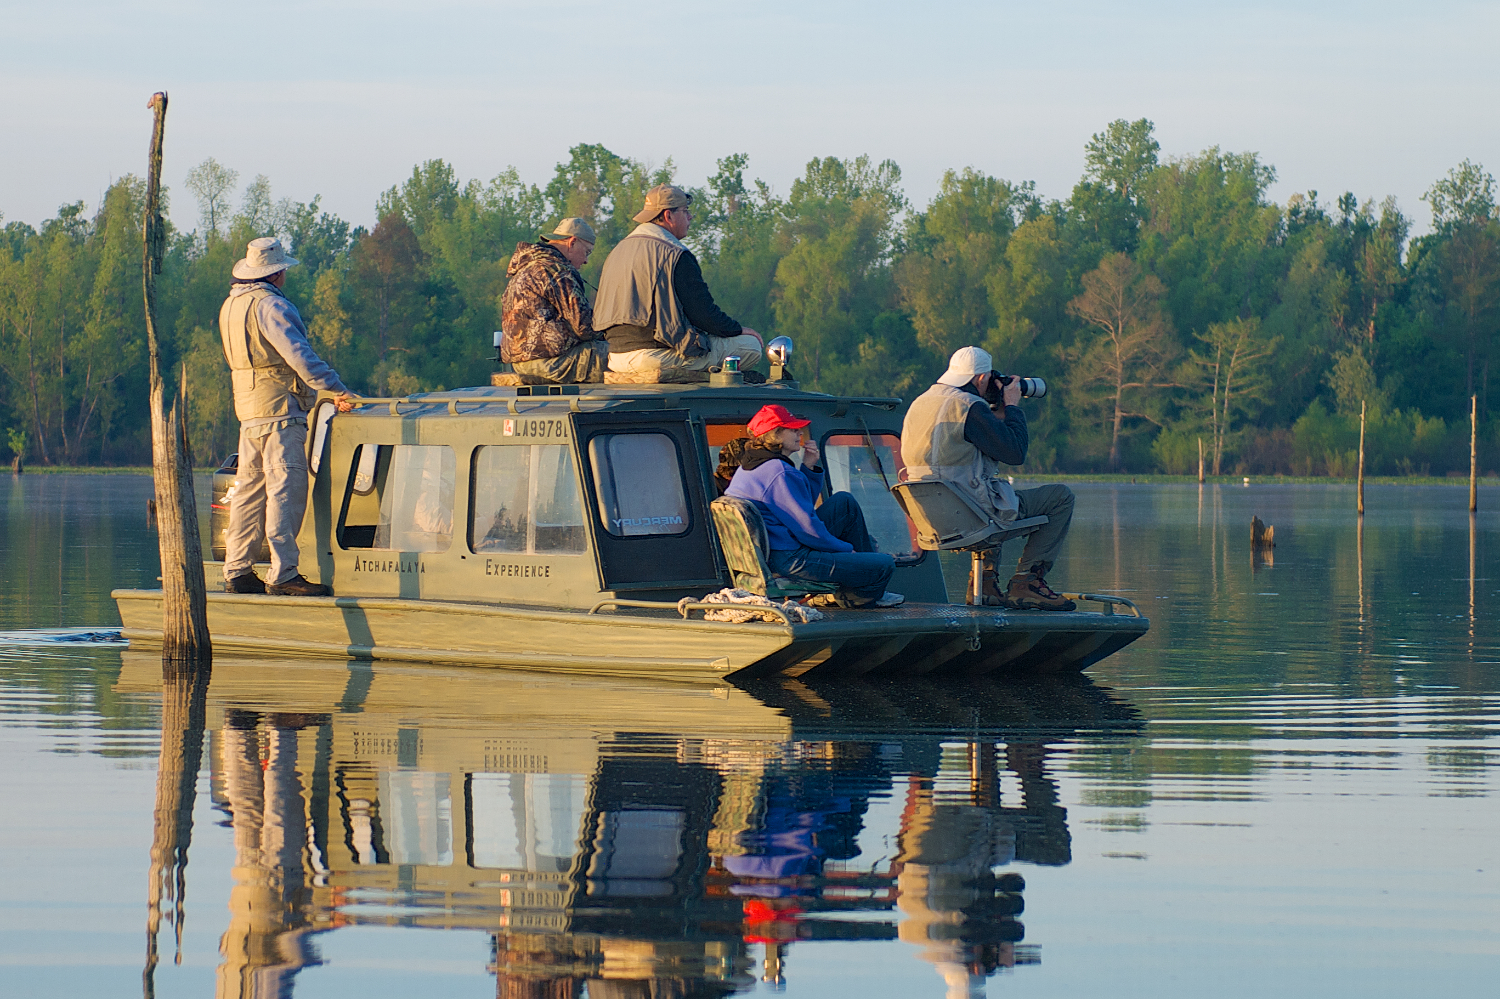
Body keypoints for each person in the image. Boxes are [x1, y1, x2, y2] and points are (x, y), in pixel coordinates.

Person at [219, 237, 354, 597]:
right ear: (276, 273)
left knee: (248, 490)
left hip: (248, 409)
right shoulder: (270, 306)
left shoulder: (230, 306)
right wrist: (337, 389)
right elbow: (300, 357)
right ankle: (283, 573)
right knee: (285, 487)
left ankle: (237, 570)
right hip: (280, 409)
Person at [901, 346, 1076, 611]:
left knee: (991, 495)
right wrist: (1013, 406)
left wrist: (993, 411)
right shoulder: (968, 407)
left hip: (930, 520)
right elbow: (1015, 453)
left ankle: (985, 585)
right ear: (982, 378)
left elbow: (964, 439)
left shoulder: (921, 403)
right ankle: (1027, 582)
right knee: (1060, 498)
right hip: (971, 516)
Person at [726, 404, 903, 609]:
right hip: (792, 558)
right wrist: (847, 550)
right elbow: (807, 529)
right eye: (792, 429)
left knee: (844, 503)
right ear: (775, 435)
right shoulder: (778, 471)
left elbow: (799, 507)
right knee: (883, 565)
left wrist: (808, 467)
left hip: (777, 552)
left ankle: (860, 577)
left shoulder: (751, 467)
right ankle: (858, 594)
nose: (799, 432)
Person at [594, 184, 764, 377]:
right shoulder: (675, 253)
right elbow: (703, 314)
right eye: (685, 211)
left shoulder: (617, 251)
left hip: (615, 356)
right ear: (668, 216)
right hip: (654, 356)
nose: (690, 217)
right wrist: (738, 329)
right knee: (751, 347)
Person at [499, 218, 608, 383]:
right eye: (587, 252)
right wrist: (613, 329)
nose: (586, 260)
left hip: (520, 365)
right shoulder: (557, 270)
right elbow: (584, 326)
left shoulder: (526, 268)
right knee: (623, 356)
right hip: (553, 364)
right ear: (572, 243)